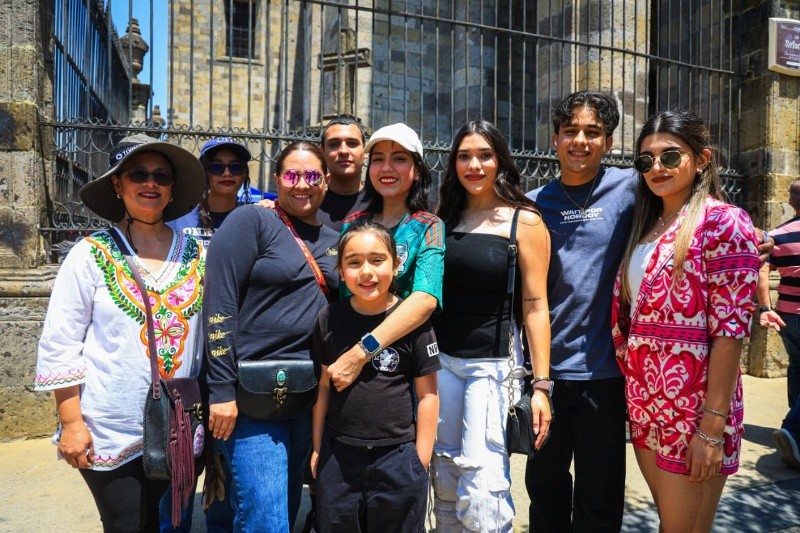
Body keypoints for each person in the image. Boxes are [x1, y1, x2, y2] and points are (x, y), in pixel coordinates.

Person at [34, 134, 206, 532]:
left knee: (166, 524)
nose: (150, 183)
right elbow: (61, 342)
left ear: (172, 187)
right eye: (138, 174)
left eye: (161, 176)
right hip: (109, 427)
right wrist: (72, 423)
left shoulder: (197, 255)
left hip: (178, 424)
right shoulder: (90, 255)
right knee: (126, 524)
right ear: (117, 184)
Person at [611, 110, 759, 531]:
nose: (656, 167)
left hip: (695, 410)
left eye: (670, 156)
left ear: (702, 159)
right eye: (646, 160)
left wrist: (711, 428)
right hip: (646, 404)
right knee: (671, 524)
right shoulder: (644, 225)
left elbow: (730, 332)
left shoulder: (723, 222)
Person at [203, 141, 339, 532]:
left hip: (306, 394)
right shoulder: (251, 222)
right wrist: (221, 391)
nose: (302, 184)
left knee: (284, 505)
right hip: (250, 397)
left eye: (312, 176)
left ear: (326, 181)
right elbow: (219, 306)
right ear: (277, 180)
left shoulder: (335, 240)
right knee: (266, 518)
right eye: (292, 175)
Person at [431, 120, 551, 532]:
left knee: (484, 489)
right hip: (440, 363)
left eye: (484, 155)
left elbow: (535, 306)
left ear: (500, 160)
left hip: (492, 366)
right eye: (464, 156)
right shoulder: (443, 217)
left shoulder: (524, 222)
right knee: (445, 480)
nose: (474, 165)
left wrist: (541, 386)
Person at [525, 91, 636, 532]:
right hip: (546, 372)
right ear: (554, 139)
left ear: (608, 142)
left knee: (600, 496)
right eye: (570, 131)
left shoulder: (631, 188)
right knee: (545, 491)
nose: (580, 141)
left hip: (605, 374)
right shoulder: (533, 204)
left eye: (593, 132)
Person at [310, 221, 440, 532]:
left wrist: (419, 461)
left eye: (377, 260)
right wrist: (317, 447)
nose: (366, 272)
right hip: (339, 458)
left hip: (398, 459)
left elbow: (428, 395)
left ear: (396, 265)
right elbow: (323, 388)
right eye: (354, 262)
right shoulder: (329, 318)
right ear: (341, 271)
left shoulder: (412, 323)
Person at [331, 123, 445, 391]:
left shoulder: (429, 226)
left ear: (417, 170)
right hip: (346, 355)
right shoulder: (353, 223)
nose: (386, 168)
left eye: (399, 159)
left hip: (403, 365)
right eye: (378, 159)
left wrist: (361, 352)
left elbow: (425, 300)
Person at [758, 178, 800, 470]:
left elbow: (761, 270)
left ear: (791, 200)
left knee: (796, 367)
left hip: (786, 315)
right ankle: (793, 430)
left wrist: (765, 307)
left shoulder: (777, 235)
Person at [169, 137, 253, 247]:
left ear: (244, 175)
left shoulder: (253, 222)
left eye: (235, 167)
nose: (227, 173)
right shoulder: (178, 219)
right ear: (205, 173)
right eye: (217, 167)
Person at [317, 114, 371, 230]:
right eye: (334, 144)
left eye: (352, 143)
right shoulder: (310, 203)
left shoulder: (381, 204)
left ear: (365, 151)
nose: (343, 151)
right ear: (322, 152)